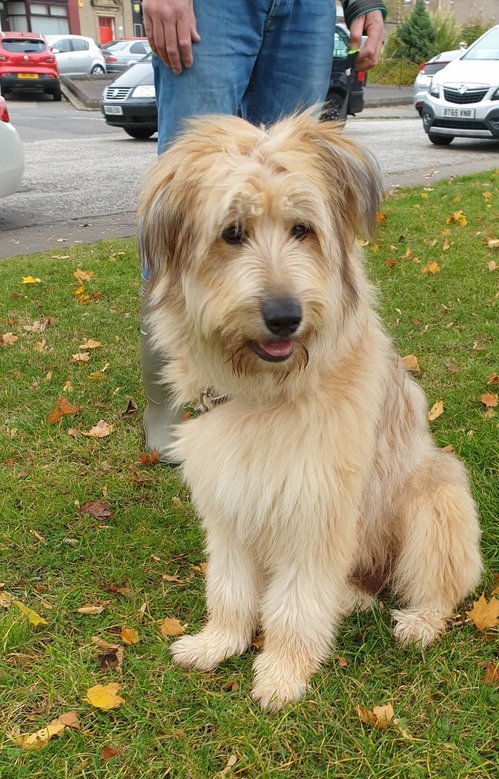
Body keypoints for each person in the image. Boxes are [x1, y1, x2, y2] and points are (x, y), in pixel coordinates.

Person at [141, 0, 387, 461]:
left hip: (308, 9)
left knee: (295, 167)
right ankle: (174, 400)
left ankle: (290, 424)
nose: (281, 292)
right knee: (192, 199)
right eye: (236, 236)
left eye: (298, 231)